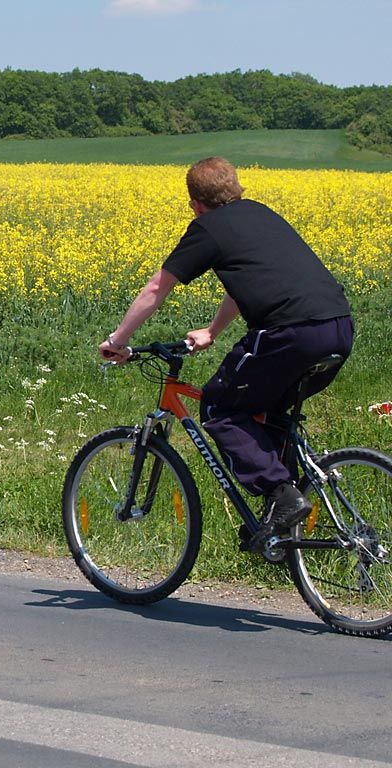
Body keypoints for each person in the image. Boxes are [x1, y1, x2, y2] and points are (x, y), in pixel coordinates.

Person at [98, 157, 353, 547]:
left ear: (195, 203)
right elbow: (247, 280)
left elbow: (156, 288)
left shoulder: (207, 229)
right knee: (261, 413)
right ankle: (281, 527)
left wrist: (118, 341)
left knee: (219, 407)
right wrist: (213, 331)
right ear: (237, 189)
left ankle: (282, 495)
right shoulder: (261, 214)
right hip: (337, 327)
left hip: (291, 332)